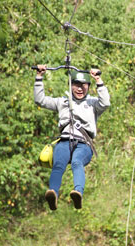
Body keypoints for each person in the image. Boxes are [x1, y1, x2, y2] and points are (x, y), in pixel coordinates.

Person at [34, 65, 110, 210]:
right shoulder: (62, 102)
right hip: (64, 140)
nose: (80, 89)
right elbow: (40, 100)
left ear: (88, 87)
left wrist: (98, 80)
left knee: (77, 162)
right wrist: (39, 77)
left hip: (84, 144)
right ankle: (53, 194)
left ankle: (78, 193)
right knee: (58, 164)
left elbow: (105, 102)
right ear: (71, 85)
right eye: (76, 85)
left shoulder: (93, 103)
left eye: (83, 85)